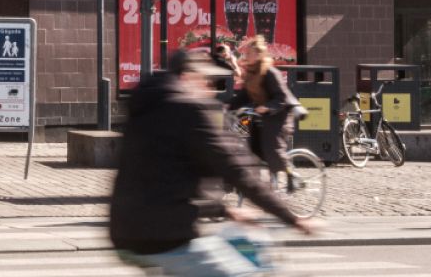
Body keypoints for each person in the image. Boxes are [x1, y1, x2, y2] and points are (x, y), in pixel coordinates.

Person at [110, 48, 319, 273]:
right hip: (165, 237)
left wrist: (224, 210)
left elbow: (166, 176)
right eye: (205, 79)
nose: (209, 87)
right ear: (187, 77)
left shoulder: (147, 106)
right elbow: (237, 172)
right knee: (237, 271)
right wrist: (292, 218)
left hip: (124, 232)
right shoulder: (190, 109)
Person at [228, 35, 302, 184]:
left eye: (249, 54)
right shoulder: (250, 73)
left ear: (259, 54)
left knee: (271, 146)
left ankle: (290, 173)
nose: (246, 56)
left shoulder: (270, 73)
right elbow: (244, 96)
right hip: (262, 115)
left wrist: (267, 107)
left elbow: (282, 98)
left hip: (279, 115)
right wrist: (227, 106)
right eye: (245, 54)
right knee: (252, 145)